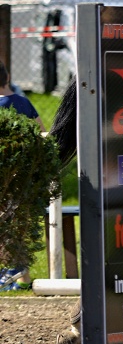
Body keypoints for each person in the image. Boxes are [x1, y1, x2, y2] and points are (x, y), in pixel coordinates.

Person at [0, 60, 45, 291]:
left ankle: (11, 274)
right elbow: (41, 131)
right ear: (7, 78)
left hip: (4, 176)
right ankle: (22, 277)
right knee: (18, 224)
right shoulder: (23, 102)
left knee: (5, 224)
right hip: (23, 175)